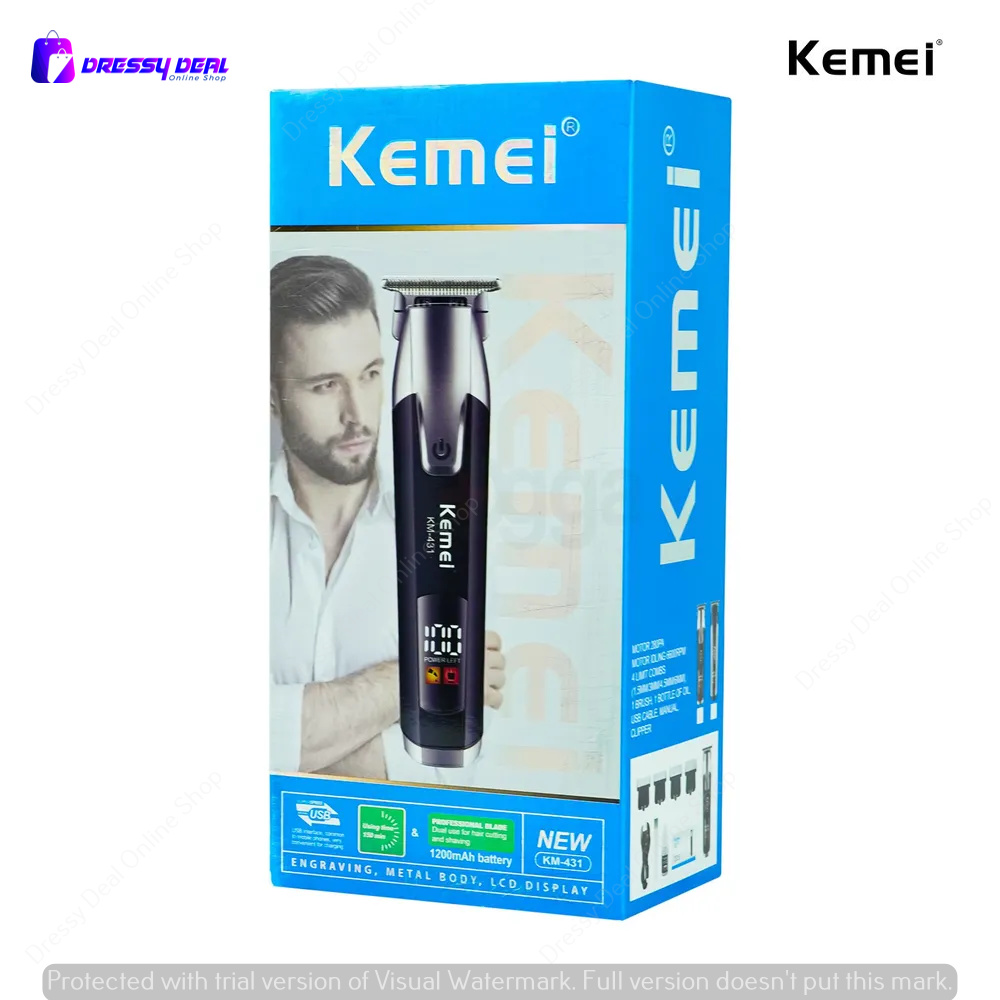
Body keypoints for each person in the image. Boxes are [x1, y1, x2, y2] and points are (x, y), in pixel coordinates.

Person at [269, 255, 504, 777]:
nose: (358, 414)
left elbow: (474, 764)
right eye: (325, 385)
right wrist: (402, 681)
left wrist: (301, 732)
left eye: (371, 374)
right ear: (270, 397)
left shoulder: (488, 527)